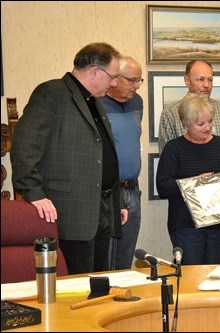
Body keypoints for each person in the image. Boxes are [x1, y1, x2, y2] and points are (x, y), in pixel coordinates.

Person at [11, 42, 128, 274]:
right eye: (112, 77)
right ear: (95, 71)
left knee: (99, 282)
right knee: (76, 287)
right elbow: (25, 147)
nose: (114, 83)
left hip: (102, 210)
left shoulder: (94, 101)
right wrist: (33, 192)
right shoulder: (51, 94)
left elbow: (100, 154)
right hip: (71, 213)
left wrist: (118, 201)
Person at [156, 93, 220, 264]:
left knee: (217, 273)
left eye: (210, 121)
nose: (207, 127)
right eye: (200, 124)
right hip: (186, 224)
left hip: (218, 224)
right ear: (185, 124)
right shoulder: (174, 148)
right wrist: (195, 182)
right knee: (191, 273)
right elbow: (163, 186)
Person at [100, 56, 143, 270]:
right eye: (132, 80)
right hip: (109, 193)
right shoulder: (97, 104)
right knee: (106, 259)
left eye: (139, 81)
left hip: (133, 190)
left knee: (125, 259)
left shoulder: (137, 102)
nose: (136, 86)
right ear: (115, 78)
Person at [157, 59, 220, 165]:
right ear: (187, 80)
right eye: (201, 79)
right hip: (186, 179)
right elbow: (167, 161)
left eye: (210, 80)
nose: (207, 85)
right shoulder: (170, 114)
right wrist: (198, 180)